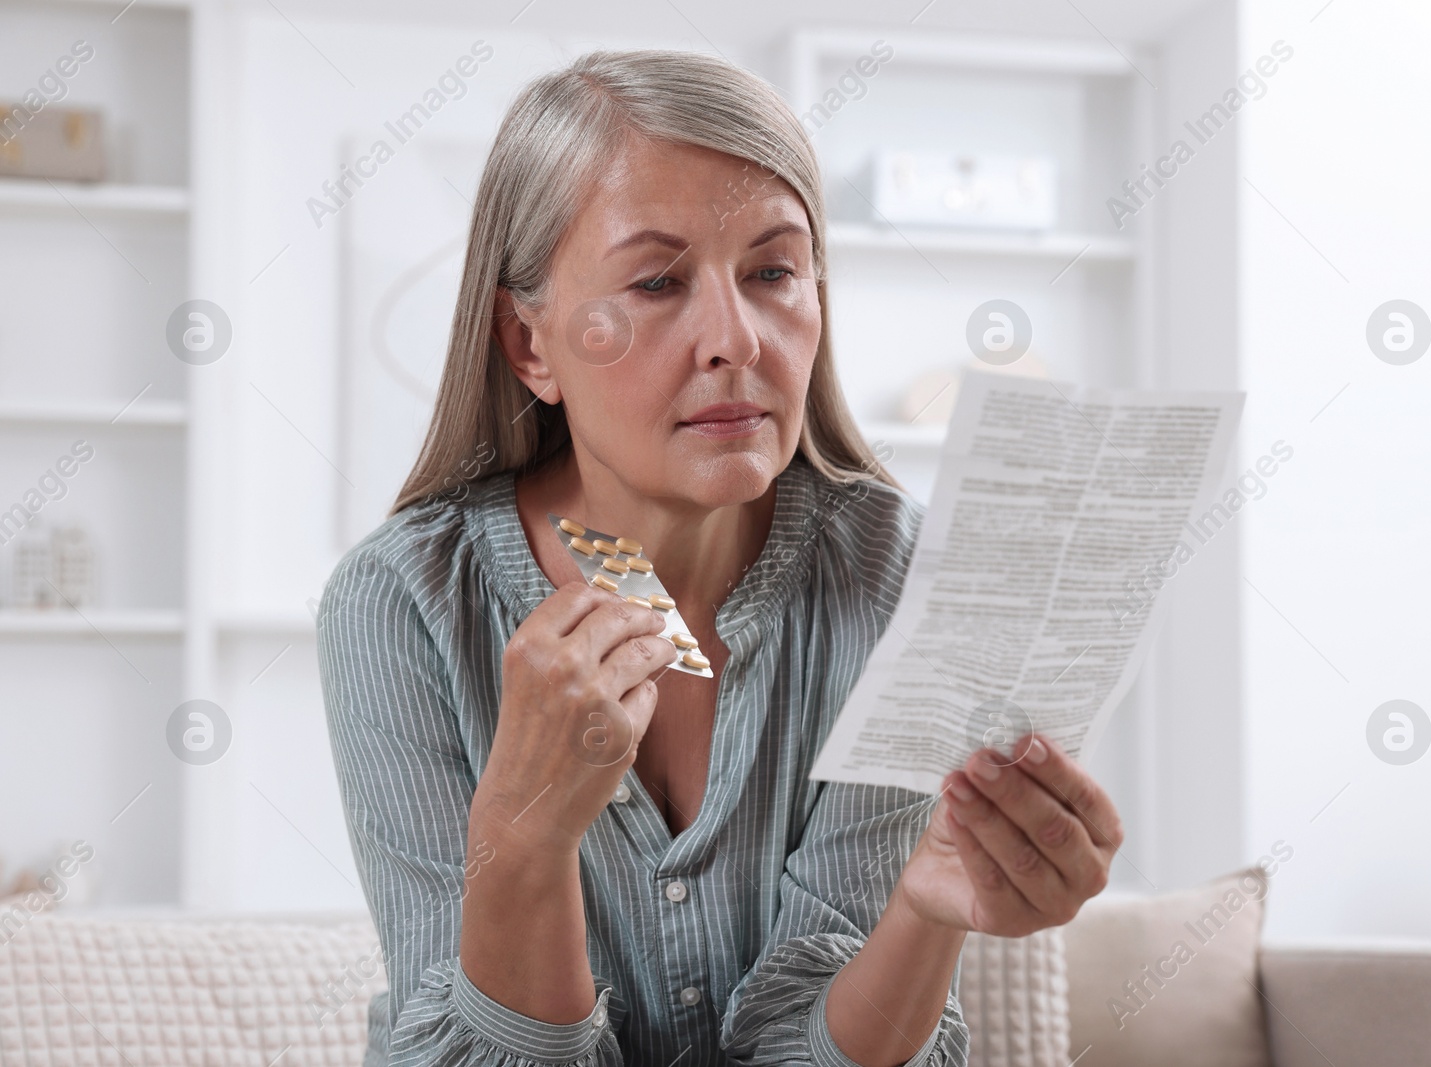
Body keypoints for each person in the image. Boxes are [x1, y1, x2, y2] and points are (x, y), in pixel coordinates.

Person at [316, 48, 1123, 1067]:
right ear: (530, 345)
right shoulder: (399, 604)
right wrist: (522, 834)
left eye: (773, 271)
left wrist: (925, 910)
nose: (734, 338)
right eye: (657, 281)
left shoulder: (893, 575)